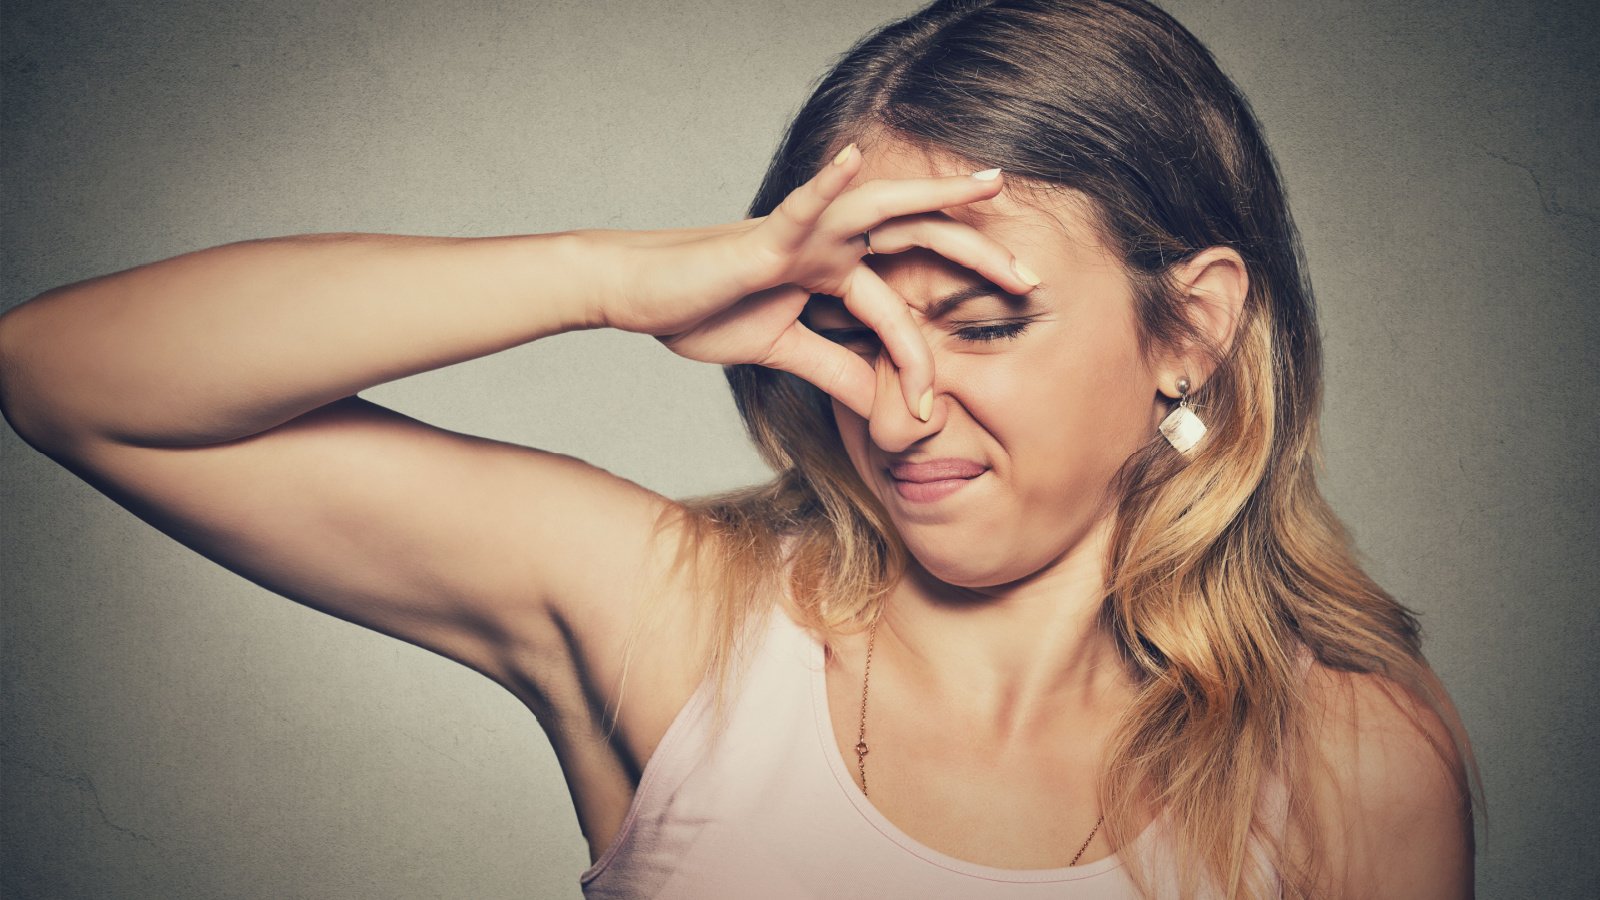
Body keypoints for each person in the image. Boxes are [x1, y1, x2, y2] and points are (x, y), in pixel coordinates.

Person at [0, 0, 1479, 896]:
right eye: (853, 328)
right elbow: (64, 375)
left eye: (978, 321)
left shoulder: (1351, 762)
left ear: (1190, 328)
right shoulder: (677, 617)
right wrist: (610, 281)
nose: (895, 410)